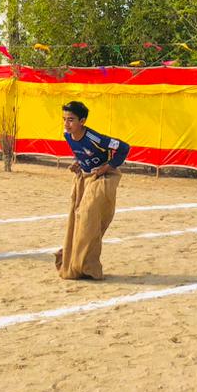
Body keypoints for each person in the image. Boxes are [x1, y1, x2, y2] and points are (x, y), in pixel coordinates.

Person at [54, 100, 130, 280]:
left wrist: (107, 167)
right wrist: (78, 163)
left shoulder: (95, 138)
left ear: (82, 121)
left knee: (87, 216)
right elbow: (82, 153)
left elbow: (124, 148)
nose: (66, 124)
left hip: (102, 178)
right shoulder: (67, 135)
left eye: (71, 120)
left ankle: (89, 266)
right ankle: (76, 262)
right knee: (78, 219)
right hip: (85, 178)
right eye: (64, 119)